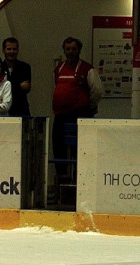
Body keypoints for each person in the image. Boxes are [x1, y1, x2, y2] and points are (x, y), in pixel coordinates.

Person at [51, 36, 103, 184]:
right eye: (68, 49)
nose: (70, 52)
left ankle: (78, 181)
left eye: (73, 49)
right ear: (64, 50)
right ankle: (61, 180)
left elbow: (98, 91)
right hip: (60, 116)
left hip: (78, 116)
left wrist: (88, 107)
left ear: (79, 50)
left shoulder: (88, 69)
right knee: (59, 149)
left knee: (78, 151)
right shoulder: (58, 69)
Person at [1, 37, 31, 117]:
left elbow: (26, 88)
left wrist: (8, 87)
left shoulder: (25, 67)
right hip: (3, 110)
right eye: (9, 49)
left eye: (14, 49)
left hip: (21, 109)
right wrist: (19, 86)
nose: (12, 52)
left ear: (18, 50)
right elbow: (0, 90)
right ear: (3, 50)